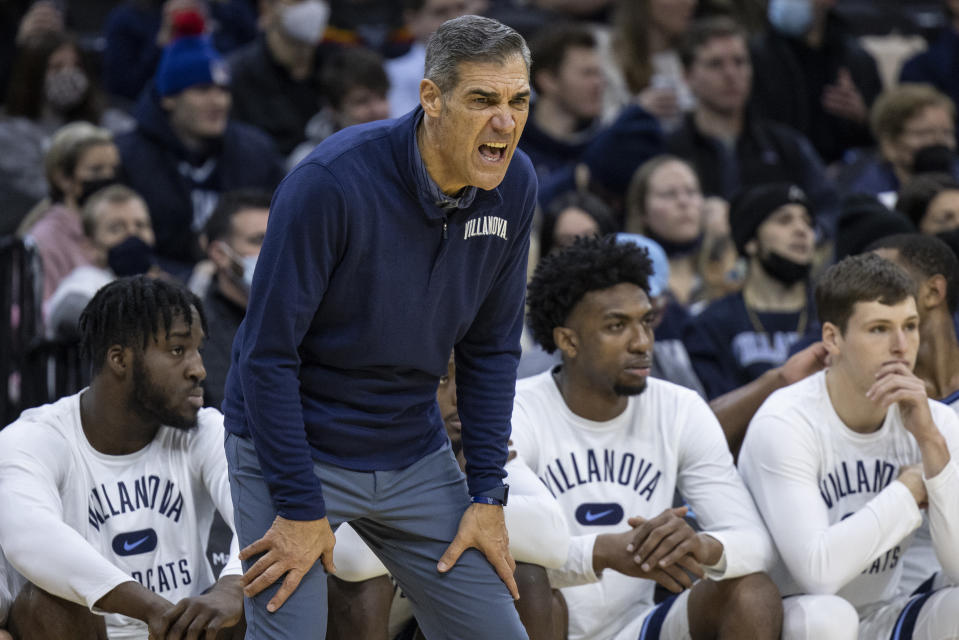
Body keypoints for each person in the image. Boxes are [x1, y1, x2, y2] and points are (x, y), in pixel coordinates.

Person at [222, 15, 537, 639]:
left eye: (518, 101)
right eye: (483, 100)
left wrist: (486, 496)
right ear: (431, 99)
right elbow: (265, 356)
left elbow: (492, 349)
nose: (505, 123)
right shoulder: (331, 184)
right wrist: (298, 504)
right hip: (295, 446)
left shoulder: (514, 185)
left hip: (409, 445)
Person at [513, 234, 781, 640]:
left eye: (646, 321)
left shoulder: (681, 408)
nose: (641, 343)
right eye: (616, 326)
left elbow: (756, 543)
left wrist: (701, 546)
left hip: (636, 627)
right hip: (547, 621)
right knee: (529, 583)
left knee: (752, 591)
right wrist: (603, 551)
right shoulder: (517, 411)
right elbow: (502, 539)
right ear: (568, 341)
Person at [0, 275, 244, 639]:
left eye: (198, 351)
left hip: (189, 632)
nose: (198, 370)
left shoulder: (205, 430)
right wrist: (152, 609)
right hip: (95, 631)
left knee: (305, 576)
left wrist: (232, 589)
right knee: (49, 601)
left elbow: (262, 511)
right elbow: (31, 537)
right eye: (178, 351)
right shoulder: (32, 439)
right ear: (119, 359)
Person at [738, 252, 959, 639]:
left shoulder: (935, 422)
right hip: (790, 616)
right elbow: (817, 574)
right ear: (832, 338)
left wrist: (932, 447)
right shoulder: (787, 421)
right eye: (879, 329)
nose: (901, 346)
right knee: (829, 615)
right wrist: (907, 491)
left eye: (910, 326)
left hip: (880, 614)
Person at [326, 352, 570, 640]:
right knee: (364, 590)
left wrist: (476, 485)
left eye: (467, 377)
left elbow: (553, 541)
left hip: (426, 628)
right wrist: (470, 501)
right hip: (364, 625)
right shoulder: (366, 435)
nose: (459, 396)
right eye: (442, 379)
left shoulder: (481, 449)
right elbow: (351, 560)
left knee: (526, 578)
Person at [115, 18, 284, 278]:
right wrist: (189, 278)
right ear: (169, 98)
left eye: (223, 90)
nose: (218, 101)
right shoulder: (126, 156)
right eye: (203, 89)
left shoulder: (256, 151)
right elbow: (119, 246)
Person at [666, 16, 839, 237]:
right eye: (715, 64)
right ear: (687, 76)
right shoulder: (670, 149)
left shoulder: (786, 144)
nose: (731, 74)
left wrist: (808, 236)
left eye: (740, 62)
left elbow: (829, 206)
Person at [683, 182, 819, 399]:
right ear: (751, 242)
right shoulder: (711, 324)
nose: (802, 230)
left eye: (808, 222)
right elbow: (712, 414)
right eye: (784, 220)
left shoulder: (833, 313)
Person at [749, 0, 883, 164]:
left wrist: (863, 117)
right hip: (777, 169)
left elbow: (883, 135)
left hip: (846, 172)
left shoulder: (858, 60)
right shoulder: (751, 58)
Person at [20, 122, 121, 305]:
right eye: (96, 170)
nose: (108, 178)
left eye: (113, 169)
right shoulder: (46, 239)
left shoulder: (123, 225)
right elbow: (40, 314)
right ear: (63, 178)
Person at [46, 184, 160, 341]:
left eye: (140, 225)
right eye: (116, 228)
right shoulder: (88, 278)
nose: (133, 235)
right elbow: (68, 313)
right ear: (90, 247)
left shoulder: (157, 282)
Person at [197, 189, 271, 410]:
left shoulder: (309, 317)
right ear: (220, 255)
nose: (273, 250)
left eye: (280, 238)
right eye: (259, 240)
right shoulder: (198, 331)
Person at [228, 0, 331, 156]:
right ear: (267, 8)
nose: (312, 7)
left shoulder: (340, 66)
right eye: (298, 1)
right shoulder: (236, 75)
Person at [836, 84, 958, 203]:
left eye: (947, 133)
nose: (938, 141)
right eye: (923, 133)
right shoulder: (863, 187)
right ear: (889, 142)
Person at [519, 21, 606, 182]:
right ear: (548, 81)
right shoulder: (511, 145)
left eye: (599, 74)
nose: (599, 83)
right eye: (587, 74)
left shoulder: (604, 145)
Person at [287, 47, 392, 169]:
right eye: (362, 101)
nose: (378, 110)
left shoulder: (406, 154)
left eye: (382, 97)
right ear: (333, 109)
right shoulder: (307, 163)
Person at [385, 0, 472, 118]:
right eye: (440, 12)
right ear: (412, 21)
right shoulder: (394, 74)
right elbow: (407, 132)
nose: (456, 19)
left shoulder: (497, 63)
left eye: (461, 8)